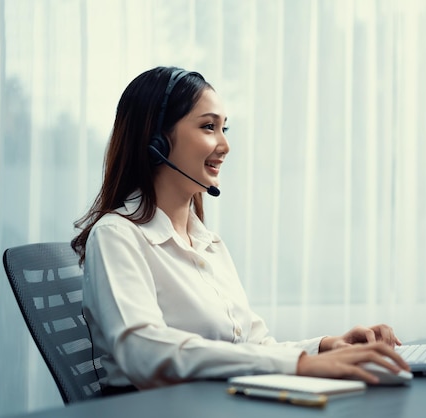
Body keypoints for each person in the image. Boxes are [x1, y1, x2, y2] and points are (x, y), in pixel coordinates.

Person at [71, 66, 409, 395]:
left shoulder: (207, 242)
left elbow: (253, 346)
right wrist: (300, 365)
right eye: (208, 127)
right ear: (157, 141)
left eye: (224, 129)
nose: (224, 145)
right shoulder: (117, 235)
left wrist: (326, 348)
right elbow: (144, 352)